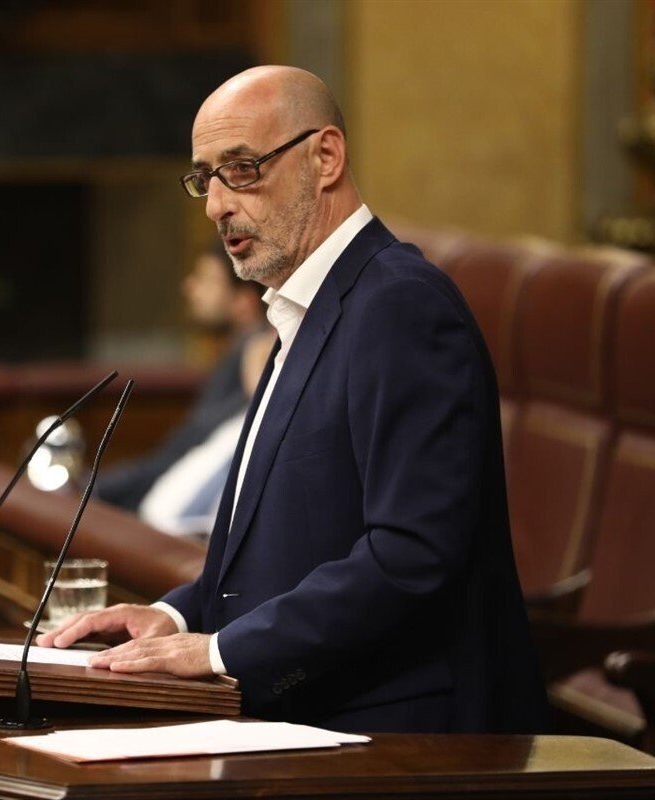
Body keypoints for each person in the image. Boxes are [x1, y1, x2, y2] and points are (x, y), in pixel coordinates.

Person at [39, 65, 548, 734]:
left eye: (241, 169)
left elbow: (412, 555)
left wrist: (219, 652)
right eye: (204, 178)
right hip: (315, 720)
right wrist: (176, 616)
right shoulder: (303, 310)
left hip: (400, 739)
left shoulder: (399, 306)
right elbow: (284, 548)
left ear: (325, 157)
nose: (216, 206)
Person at [94, 244, 273, 537]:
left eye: (206, 278)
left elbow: (183, 456)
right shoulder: (236, 353)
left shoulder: (258, 350)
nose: (189, 286)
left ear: (245, 302)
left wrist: (95, 491)